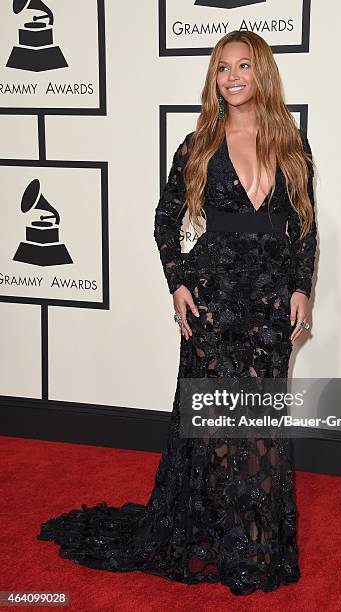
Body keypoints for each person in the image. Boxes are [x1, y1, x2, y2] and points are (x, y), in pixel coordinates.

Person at [37, 30, 317, 597]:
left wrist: (302, 289)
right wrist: (178, 283)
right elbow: (165, 221)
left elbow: (304, 230)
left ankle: (258, 541)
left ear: (261, 72)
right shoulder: (198, 145)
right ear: (213, 78)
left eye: (242, 66)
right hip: (212, 300)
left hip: (267, 305)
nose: (232, 77)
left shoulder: (293, 144)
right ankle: (219, 536)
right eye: (221, 68)